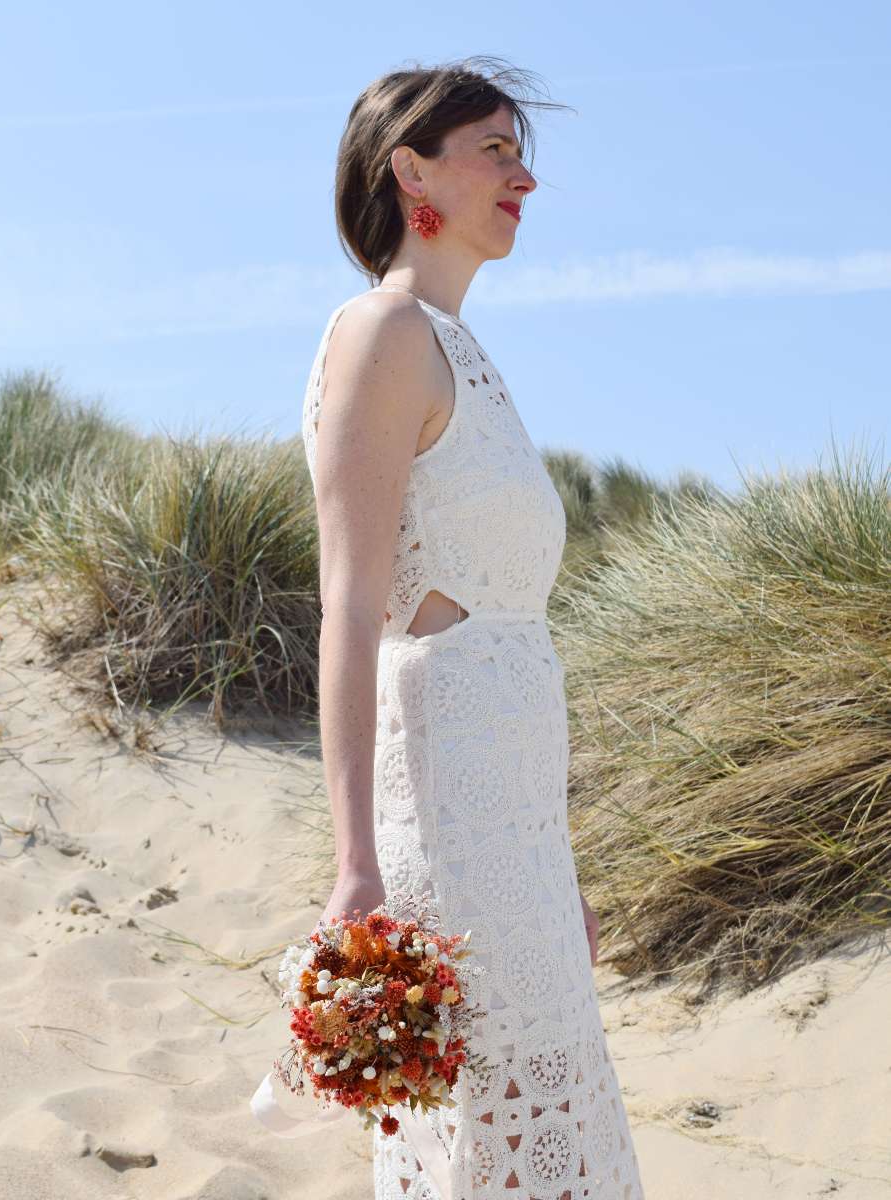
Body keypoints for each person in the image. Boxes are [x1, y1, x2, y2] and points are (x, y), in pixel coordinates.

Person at [301, 55, 645, 1200]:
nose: (524, 180)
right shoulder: (381, 331)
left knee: (550, 1134)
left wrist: (561, 869)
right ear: (412, 170)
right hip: (444, 823)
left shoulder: (462, 349)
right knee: (486, 1144)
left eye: (521, 153)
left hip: (518, 839)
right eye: (497, 149)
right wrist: (356, 869)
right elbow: (350, 608)